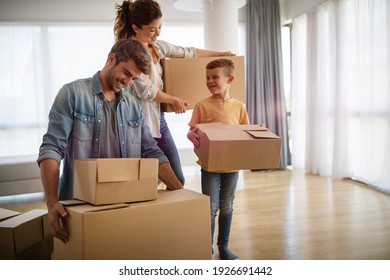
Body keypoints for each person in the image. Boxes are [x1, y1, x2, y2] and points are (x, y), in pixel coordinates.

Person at [37, 38, 183, 244]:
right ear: (111, 59)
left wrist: (180, 192)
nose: (128, 83)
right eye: (126, 73)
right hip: (78, 208)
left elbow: (151, 151)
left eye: (133, 79)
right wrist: (51, 203)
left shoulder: (132, 105)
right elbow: (52, 148)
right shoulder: (72, 94)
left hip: (124, 206)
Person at [114, 0, 235, 186]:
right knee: (143, 181)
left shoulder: (158, 47)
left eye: (160, 27)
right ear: (136, 28)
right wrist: (174, 100)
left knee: (177, 178)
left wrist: (220, 53)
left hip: (157, 119)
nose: (158, 33)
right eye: (152, 29)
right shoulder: (129, 52)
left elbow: (187, 52)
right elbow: (146, 90)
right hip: (136, 123)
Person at [187, 58, 249, 260]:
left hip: (232, 166)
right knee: (210, 208)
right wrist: (190, 135)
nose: (210, 81)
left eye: (215, 77)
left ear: (230, 79)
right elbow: (192, 130)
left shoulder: (240, 107)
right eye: (207, 77)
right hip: (210, 166)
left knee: (227, 206)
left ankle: (223, 246)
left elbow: (245, 134)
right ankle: (207, 248)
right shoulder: (201, 105)